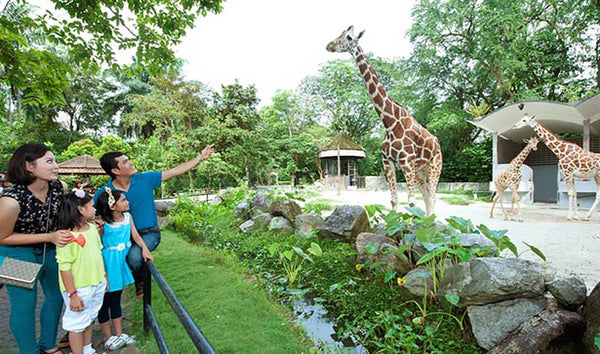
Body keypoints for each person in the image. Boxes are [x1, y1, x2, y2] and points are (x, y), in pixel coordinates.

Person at [93, 145, 213, 298]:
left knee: (135, 257)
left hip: (149, 233)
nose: (131, 163)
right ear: (116, 171)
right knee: (116, 259)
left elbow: (175, 171)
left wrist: (200, 158)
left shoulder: (145, 179)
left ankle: (140, 283)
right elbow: (91, 214)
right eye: (125, 161)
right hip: (122, 236)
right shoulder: (105, 192)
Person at [0, 143, 72, 354]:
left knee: (56, 296)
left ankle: (48, 345)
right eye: (49, 161)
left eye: (55, 161)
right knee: (24, 306)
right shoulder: (10, 201)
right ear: (29, 166)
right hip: (15, 254)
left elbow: (64, 218)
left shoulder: (60, 187)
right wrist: (49, 236)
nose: (56, 166)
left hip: (49, 250)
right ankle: (29, 351)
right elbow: (3, 237)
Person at [95, 187, 154, 350]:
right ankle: (108, 336)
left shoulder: (128, 217)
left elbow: (135, 235)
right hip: (108, 263)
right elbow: (97, 245)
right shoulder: (102, 224)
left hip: (121, 263)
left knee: (116, 298)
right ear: (112, 206)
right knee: (105, 301)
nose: (127, 202)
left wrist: (144, 248)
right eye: (123, 200)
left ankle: (119, 334)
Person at [56, 191, 106, 354]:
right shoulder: (66, 237)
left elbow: (98, 253)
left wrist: (104, 276)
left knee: (90, 317)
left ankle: (87, 348)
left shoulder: (92, 229)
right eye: (91, 206)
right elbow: (65, 268)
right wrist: (73, 294)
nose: (95, 209)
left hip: (96, 281)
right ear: (81, 210)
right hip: (79, 287)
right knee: (77, 324)